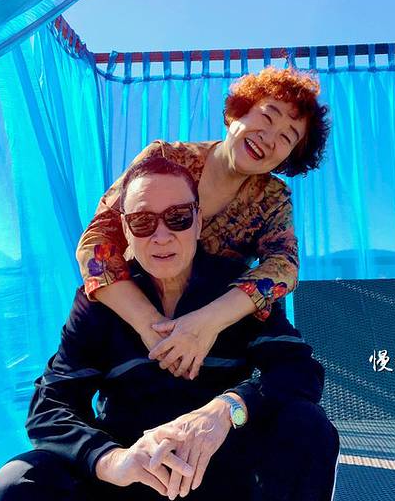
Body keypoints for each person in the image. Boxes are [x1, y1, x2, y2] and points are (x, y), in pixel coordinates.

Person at [0, 157, 340, 501]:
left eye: (178, 217)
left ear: (199, 220)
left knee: (308, 430)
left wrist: (226, 410)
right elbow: (51, 405)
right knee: (20, 482)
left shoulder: (237, 291)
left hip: (225, 467)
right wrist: (114, 461)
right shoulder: (99, 306)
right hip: (139, 473)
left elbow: (297, 372)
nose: (161, 235)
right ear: (124, 229)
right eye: (142, 221)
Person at [76, 65, 329, 381]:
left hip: (214, 339)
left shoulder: (273, 198)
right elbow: (97, 241)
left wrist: (206, 323)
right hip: (134, 317)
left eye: (287, 137)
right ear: (238, 112)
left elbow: (284, 266)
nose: (268, 138)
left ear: (290, 156)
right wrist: (149, 324)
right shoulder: (164, 157)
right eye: (266, 117)